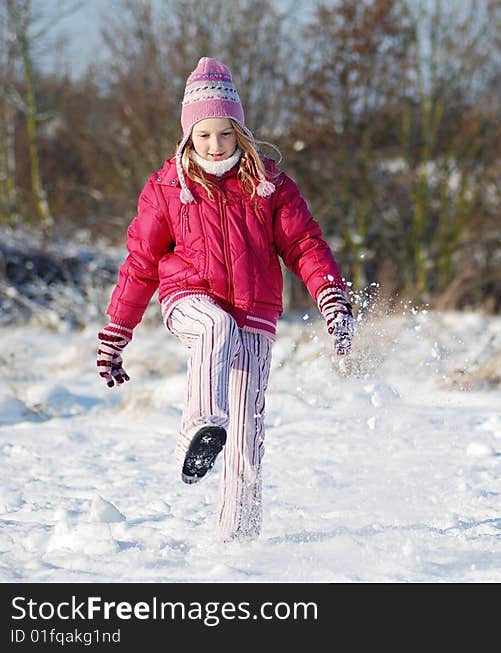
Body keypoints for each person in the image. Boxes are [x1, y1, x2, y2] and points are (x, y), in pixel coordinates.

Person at [96, 57, 355, 542]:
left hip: (255, 311)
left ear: (239, 131)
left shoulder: (269, 185)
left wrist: (329, 296)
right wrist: (117, 331)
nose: (215, 145)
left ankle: (239, 543)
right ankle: (198, 429)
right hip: (190, 298)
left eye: (225, 134)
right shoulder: (168, 187)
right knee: (216, 328)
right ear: (188, 137)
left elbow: (304, 245)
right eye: (204, 135)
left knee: (247, 436)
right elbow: (139, 263)